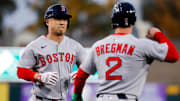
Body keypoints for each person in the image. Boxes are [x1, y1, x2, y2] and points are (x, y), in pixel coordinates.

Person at [72, 2, 179, 101]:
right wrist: (158, 34)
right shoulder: (142, 45)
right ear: (133, 20)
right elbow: (173, 56)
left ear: (113, 20)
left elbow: (81, 75)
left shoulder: (98, 45)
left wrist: (77, 96)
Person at [16, 4, 86, 101]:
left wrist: (80, 73)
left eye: (65, 19)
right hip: (40, 98)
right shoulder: (35, 45)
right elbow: (20, 71)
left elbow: (89, 66)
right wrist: (38, 77)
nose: (62, 22)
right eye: (58, 19)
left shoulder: (75, 46)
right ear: (47, 22)